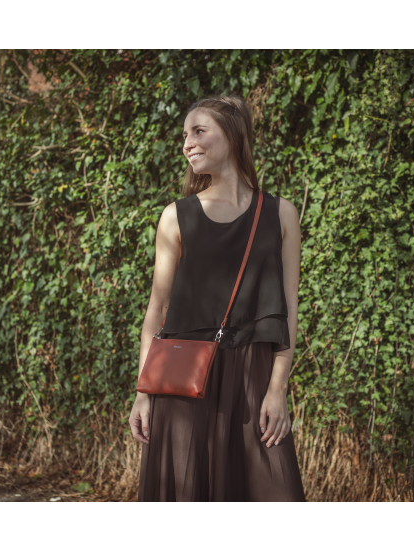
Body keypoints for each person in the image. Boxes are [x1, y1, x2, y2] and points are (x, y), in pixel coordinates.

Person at [128, 94, 306, 502]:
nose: (187, 143)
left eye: (198, 131)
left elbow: (289, 308)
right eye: (184, 135)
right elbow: (157, 310)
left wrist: (277, 389)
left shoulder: (281, 214)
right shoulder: (176, 216)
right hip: (184, 381)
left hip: (252, 381)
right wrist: (143, 393)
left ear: (232, 135)